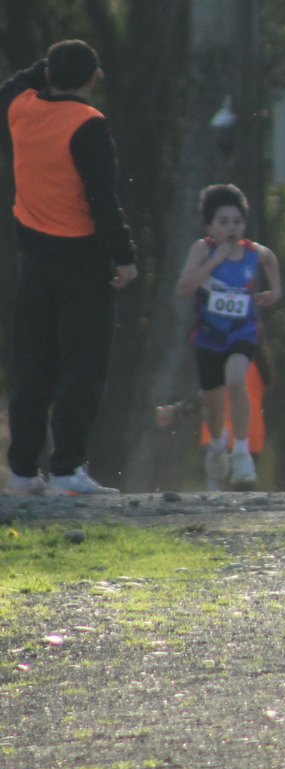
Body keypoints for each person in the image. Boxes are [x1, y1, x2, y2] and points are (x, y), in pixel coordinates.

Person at [2, 40, 138, 495]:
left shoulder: (21, 110)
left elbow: (16, 84)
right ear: (93, 77)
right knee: (82, 366)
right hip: (81, 259)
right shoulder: (89, 125)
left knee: (33, 364)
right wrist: (124, 257)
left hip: (35, 258)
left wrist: (48, 67)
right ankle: (67, 469)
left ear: (50, 75)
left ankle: (22, 471)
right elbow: (103, 200)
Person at [175, 184, 282, 489]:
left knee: (237, 382)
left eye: (236, 222)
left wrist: (275, 291)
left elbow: (270, 259)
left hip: (241, 331)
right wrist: (215, 261)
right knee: (213, 406)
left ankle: (242, 454)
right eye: (223, 222)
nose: (231, 228)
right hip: (209, 336)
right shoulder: (202, 249)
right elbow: (183, 289)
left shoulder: (251, 251)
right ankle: (219, 444)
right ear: (209, 226)